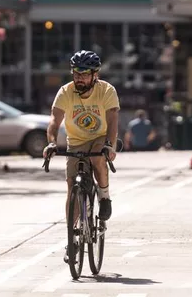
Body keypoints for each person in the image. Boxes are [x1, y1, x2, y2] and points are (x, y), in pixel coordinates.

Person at [44, 50, 119, 263]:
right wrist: (51, 142)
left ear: (95, 74)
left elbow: (113, 120)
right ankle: (72, 238)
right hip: (75, 141)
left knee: (97, 160)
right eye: (76, 73)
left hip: (100, 137)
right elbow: (54, 120)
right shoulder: (65, 92)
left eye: (85, 74)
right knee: (71, 188)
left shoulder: (107, 91)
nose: (79, 78)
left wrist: (109, 145)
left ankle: (104, 196)